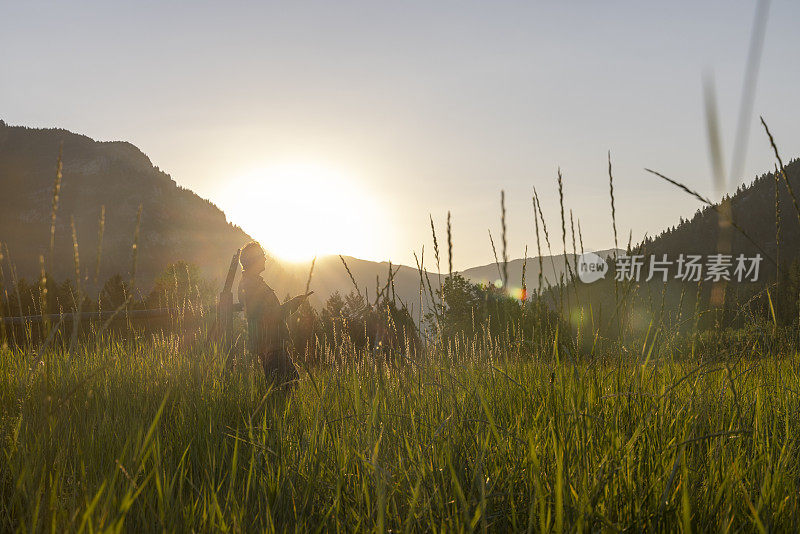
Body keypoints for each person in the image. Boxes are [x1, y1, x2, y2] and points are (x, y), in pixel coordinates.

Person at [237, 241, 312, 388]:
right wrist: (293, 304)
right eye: (262, 255)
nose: (265, 258)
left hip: (273, 344)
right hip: (270, 346)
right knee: (284, 389)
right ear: (253, 260)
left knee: (289, 385)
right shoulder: (250, 285)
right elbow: (268, 317)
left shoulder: (252, 282)